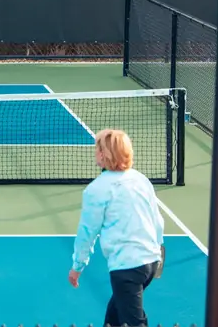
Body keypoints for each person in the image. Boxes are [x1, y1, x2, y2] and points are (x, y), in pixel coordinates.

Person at [69, 128, 165, 327]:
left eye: (97, 149)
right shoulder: (141, 179)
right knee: (114, 316)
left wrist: (77, 267)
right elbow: (158, 221)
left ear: (104, 155)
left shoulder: (96, 190)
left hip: (127, 269)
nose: (95, 153)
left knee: (135, 322)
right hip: (150, 263)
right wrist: (158, 254)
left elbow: (87, 233)